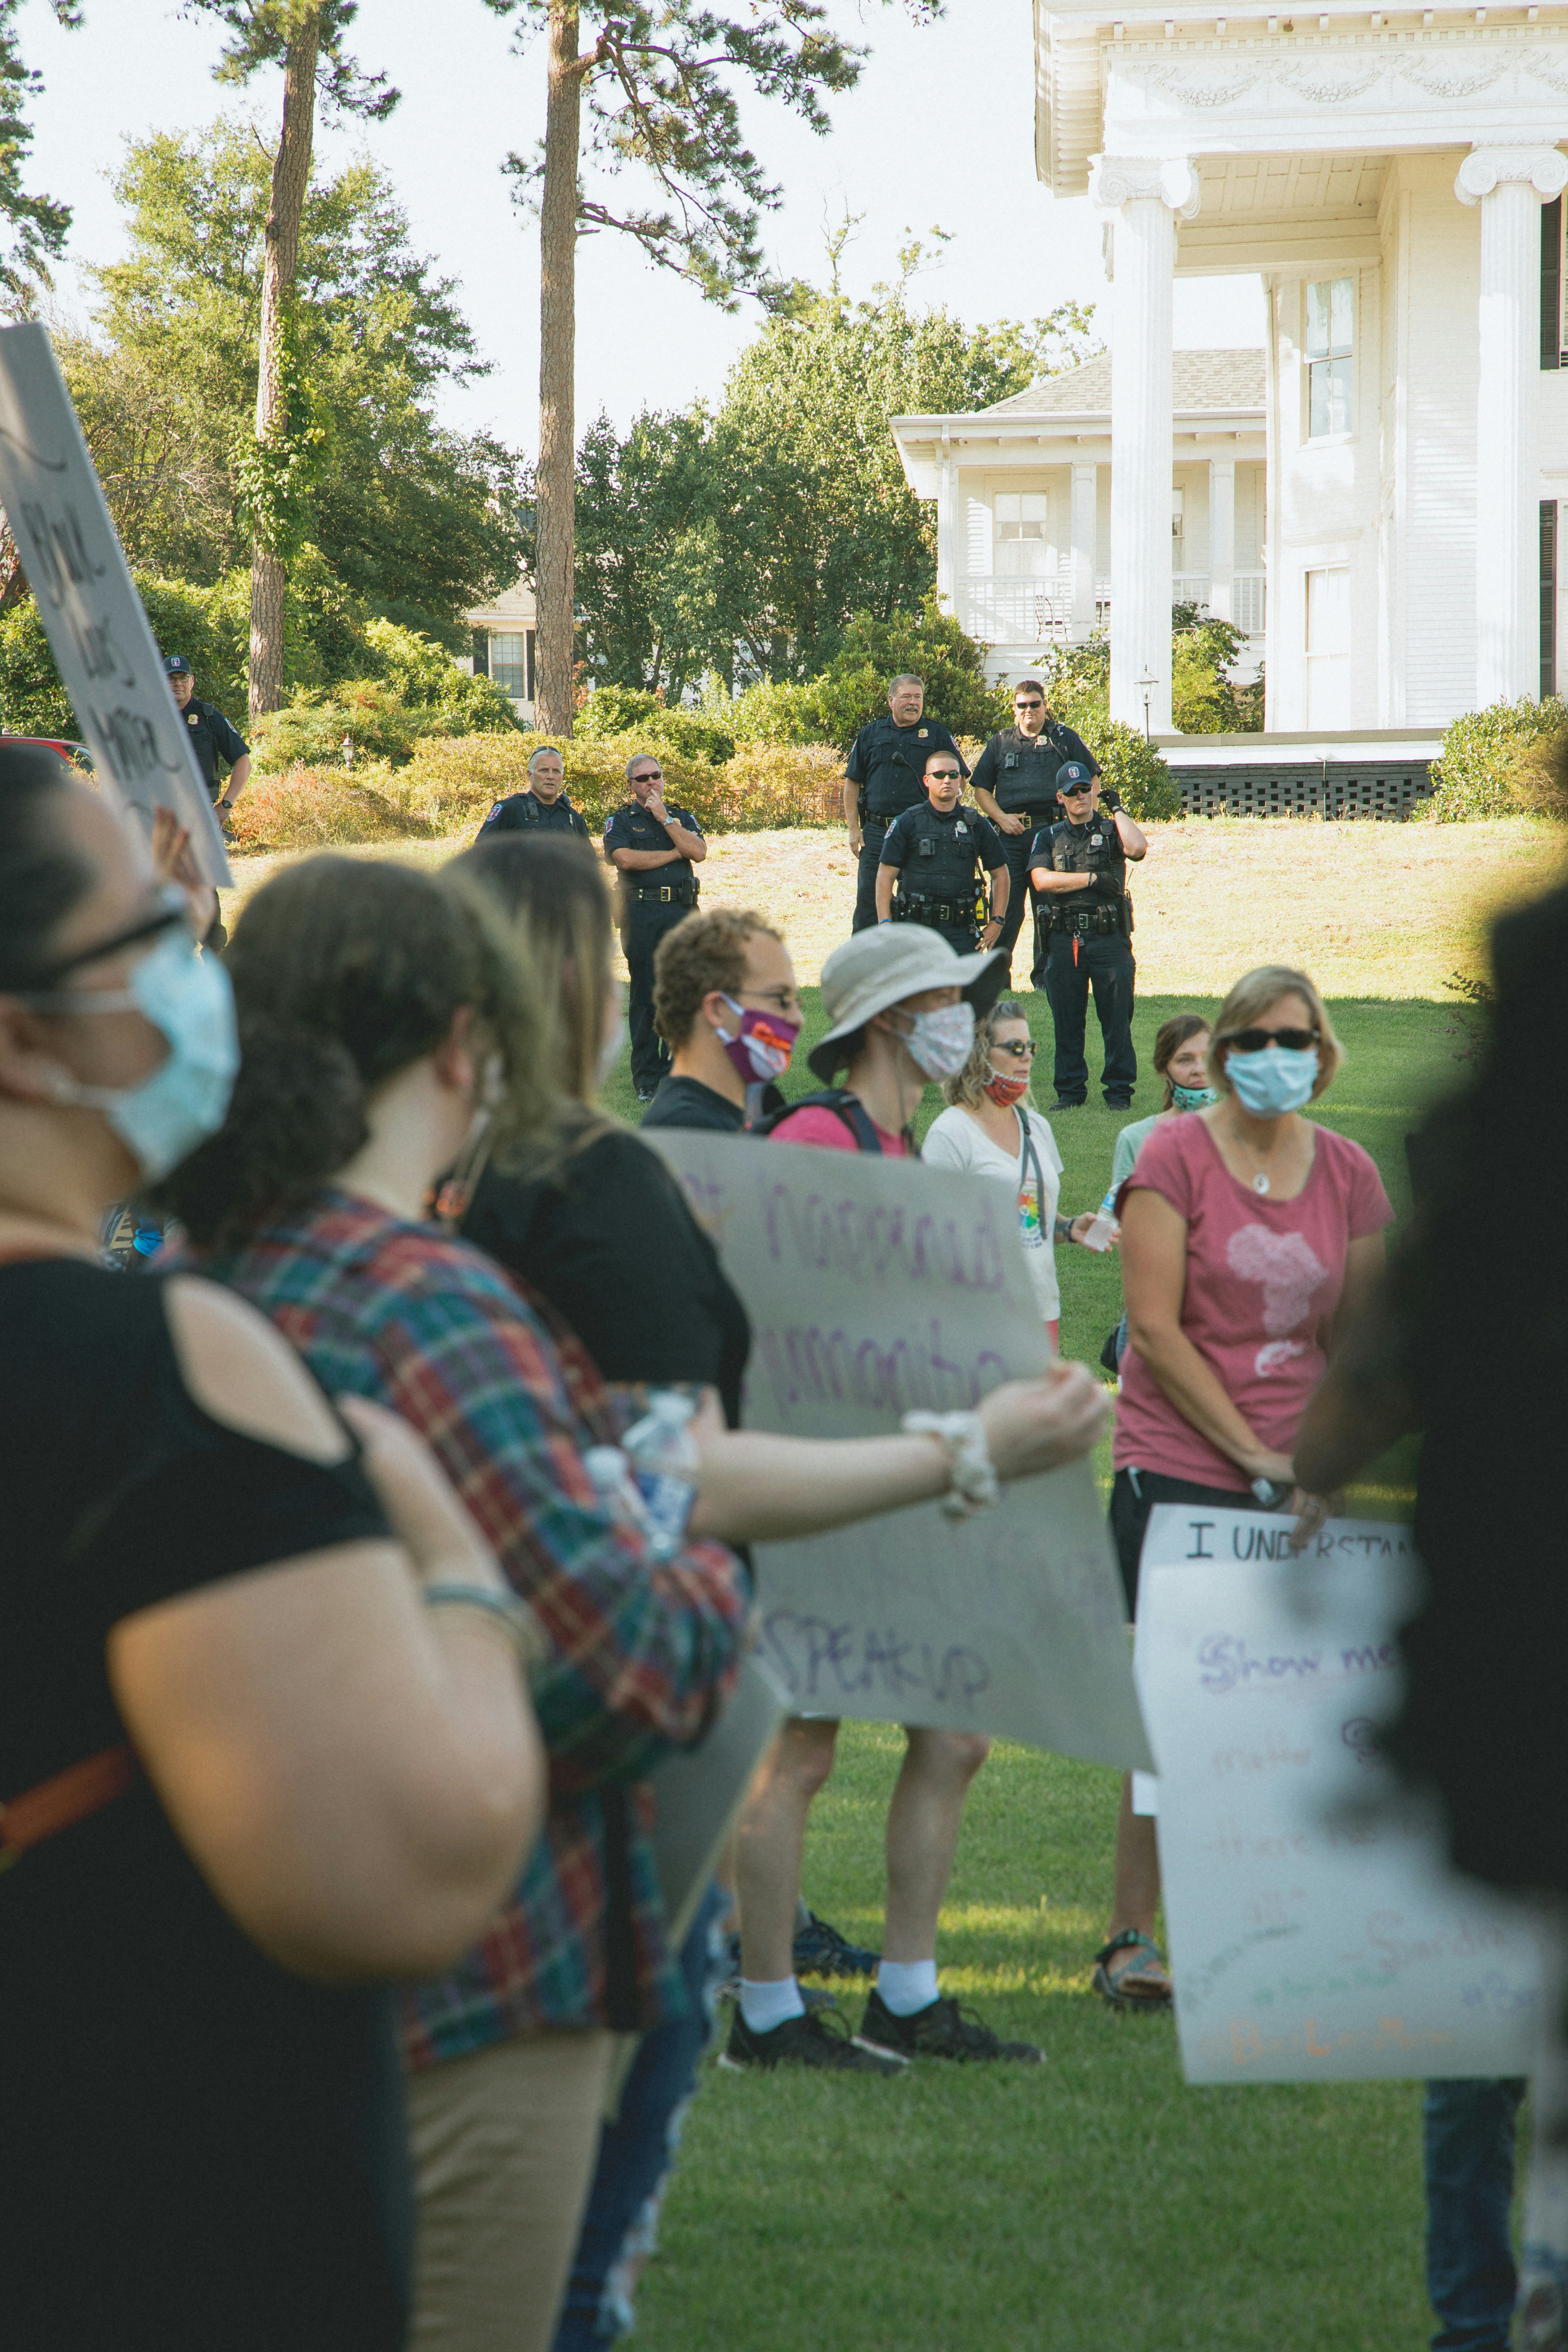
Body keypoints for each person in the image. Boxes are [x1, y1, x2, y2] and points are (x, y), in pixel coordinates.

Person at [448, 837, 1112, 2322]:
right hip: (719, 1535)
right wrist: (946, 1438)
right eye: (767, 994)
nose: (782, 1015)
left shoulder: (709, 1149)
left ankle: (857, 1993)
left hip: (795, 1501)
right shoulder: (674, 1156)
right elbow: (689, 1414)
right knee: (757, 1798)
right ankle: (758, 2010)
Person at [157, 852, 750, 2352]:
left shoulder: (210, 1268)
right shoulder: (424, 1297)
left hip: (250, 1968)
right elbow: (625, 1665)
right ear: (463, 1044)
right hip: (481, 1983)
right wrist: (678, 1538)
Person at [0, 750, 545, 2352]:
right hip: (152, 2240)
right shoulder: (159, 1371)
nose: (198, 956)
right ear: (23, 1038)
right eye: (152, 927)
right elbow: (403, 1874)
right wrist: (446, 1557)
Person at [734, 925, 1108, 2070]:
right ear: (891, 1020)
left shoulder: (902, 1147)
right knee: (797, 1755)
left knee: (952, 1733)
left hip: (909, 1476)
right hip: (828, 1480)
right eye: (946, 1001)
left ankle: (904, 1997)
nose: (967, 1022)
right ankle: (765, 2014)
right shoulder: (817, 1132)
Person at [1100, 963, 1392, 2010]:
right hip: (1175, 1467)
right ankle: (1129, 1939)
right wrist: (1259, 1462)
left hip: (1303, 1471)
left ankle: (1282, 1926)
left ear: (1322, 1052)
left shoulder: (1349, 1171)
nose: (1279, 1056)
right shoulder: (1169, 1156)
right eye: (1258, 1038)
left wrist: (1322, 1462)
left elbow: (1359, 1340)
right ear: (1223, 1052)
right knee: (1170, 1715)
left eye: (1298, 1038)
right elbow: (1153, 1330)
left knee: (1299, 1715)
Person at [922, 997, 1102, 1352]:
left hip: (1041, 1310)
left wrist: (1067, 1228)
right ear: (979, 1053)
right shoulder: (951, 1133)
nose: (1027, 1057)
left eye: (1030, 1047)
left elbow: (1029, 1219)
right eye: (1015, 1048)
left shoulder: (1036, 1126)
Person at [1029, 761, 1148, 1110]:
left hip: (1109, 937)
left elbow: (1138, 849)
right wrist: (1091, 880)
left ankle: (1119, 1092)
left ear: (1094, 791)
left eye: (1085, 790)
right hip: (1065, 939)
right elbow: (1041, 880)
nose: (1080, 797)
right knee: (1067, 1019)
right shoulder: (1047, 837)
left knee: (1116, 1018)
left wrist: (1117, 808)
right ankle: (1070, 1092)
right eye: (1073, 793)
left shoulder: (1112, 831)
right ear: (1060, 798)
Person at [969, 677, 1100, 987]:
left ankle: (1046, 978)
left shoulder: (1064, 738)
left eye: (1035, 704)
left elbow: (1091, 780)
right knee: (1007, 910)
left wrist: (1077, 816)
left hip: (1055, 838)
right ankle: (998, 978)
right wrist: (1001, 819)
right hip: (1012, 838)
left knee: (1050, 911)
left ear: (1045, 706)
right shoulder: (1001, 742)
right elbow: (981, 790)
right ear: (1014, 709)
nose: (1029, 711)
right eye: (1023, 705)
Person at [604, 751, 707, 1102]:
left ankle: (681, 1071)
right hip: (642, 914)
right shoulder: (620, 821)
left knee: (685, 992)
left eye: (656, 776)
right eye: (643, 778)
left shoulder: (679, 816)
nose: (651, 783)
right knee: (646, 995)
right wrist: (674, 853)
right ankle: (647, 1077)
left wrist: (666, 821)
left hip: (682, 913)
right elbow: (626, 859)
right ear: (631, 784)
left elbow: (699, 851)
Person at [641, 904, 798, 1133]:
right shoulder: (688, 1129)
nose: (797, 1018)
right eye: (780, 998)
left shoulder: (746, 1109)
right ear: (717, 1010)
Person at [842, 673, 968, 934]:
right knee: (869, 904)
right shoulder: (871, 733)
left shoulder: (937, 734)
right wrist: (855, 830)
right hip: (878, 832)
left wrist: (947, 818)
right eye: (906, 697)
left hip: (922, 832)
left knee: (918, 903)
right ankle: (868, 969)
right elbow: (852, 784)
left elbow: (959, 779)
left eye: (918, 698)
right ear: (891, 701)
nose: (913, 703)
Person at [874, 744, 1009, 955]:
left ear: (960, 781)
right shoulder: (908, 822)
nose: (947, 780)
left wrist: (997, 921)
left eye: (953, 775)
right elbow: (885, 875)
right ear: (927, 780)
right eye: (939, 775)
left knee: (964, 989)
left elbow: (1001, 875)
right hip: (915, 928)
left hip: (962, 930)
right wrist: (885, 923)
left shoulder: (976, 824)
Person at [1110, 1013, 1216, 1190]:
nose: (1200, 1069)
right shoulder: (1135, 1140)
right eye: (1185, 1060)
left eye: (1207, 1059)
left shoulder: (1243, 1135)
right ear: (1163, 1070)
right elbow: (1124, 1214)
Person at [164, 653, 251, 829]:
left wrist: (226, 806)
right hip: (156, 810)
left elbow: (244, 763)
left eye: (183, 678)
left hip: (200, 813)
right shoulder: (147, 717)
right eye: (172, 679)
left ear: (192, 682)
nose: (178, 684)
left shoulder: (209, 717)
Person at [475, 743, 592, 843]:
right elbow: (481, 854)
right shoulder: (511, 809)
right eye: (544, 770)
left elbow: (587, 863)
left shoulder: (573, 818)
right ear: (530, 775)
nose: (551, 777)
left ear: (562, 777)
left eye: (556, 771)